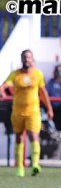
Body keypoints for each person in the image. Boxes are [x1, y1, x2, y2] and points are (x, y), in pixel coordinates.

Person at [0, 49, 54, 177]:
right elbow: (4, 85)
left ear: (32, 59)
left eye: (29, 57)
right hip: (18, 111)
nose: (26, 59)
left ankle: (35, 164)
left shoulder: (38, 74)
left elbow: (43, 92)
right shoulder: (15, 74)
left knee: (33, 136)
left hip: (33, 111)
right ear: (21, 59)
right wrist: (2, 90)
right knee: (19, 137)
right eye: (24, 57)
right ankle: (20, 167)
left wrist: (49, 108)